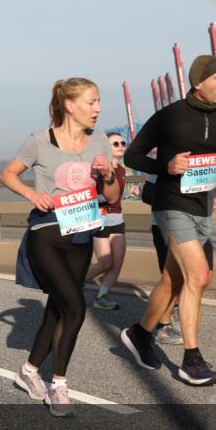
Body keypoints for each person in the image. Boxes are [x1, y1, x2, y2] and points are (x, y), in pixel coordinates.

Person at [1, 78, 120, 418]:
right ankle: (59, 385)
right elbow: (9, 174)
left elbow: (111, 197)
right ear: (70, 105)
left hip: (81, 236)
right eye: (91, 102)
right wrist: (31, 194)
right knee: (76, 307)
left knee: (58, 308)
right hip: (47, 234)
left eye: (99, 102)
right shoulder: (39, 141)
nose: (98, 109)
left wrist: (107, 175)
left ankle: (28, 370)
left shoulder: (100, 141)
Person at [121, 55, 216, 386]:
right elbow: (131, 155)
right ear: (198, 82)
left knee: (174, 281)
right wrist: (166, 167)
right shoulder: (170, 116)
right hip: (171, 204)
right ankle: (191, 360)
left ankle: (140, 334)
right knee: (199, 276)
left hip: (203, 206)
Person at [87, 132, 129, 309]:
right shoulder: (97, 170)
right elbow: (89, 194)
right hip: (101, 219)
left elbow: (117, 194)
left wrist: (127, 194)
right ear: (106, 147)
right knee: (105, 262)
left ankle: (101, 297)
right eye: (115, 143)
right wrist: (104, 198)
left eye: (123, 142)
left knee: (117, 264)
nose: (120, 146)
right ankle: (72, 284)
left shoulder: (122, 170)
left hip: (117, 218)